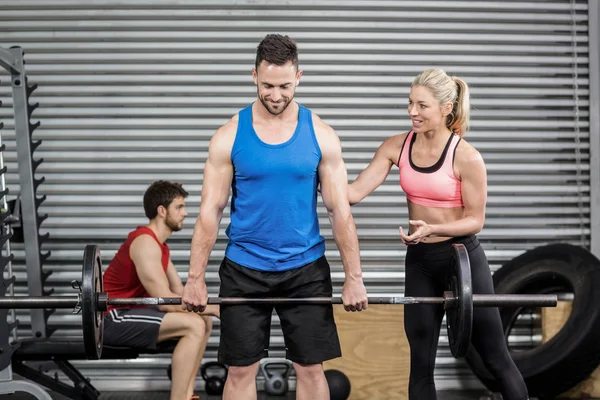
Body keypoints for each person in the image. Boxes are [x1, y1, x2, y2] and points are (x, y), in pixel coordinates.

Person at [181, 34, 369, 400]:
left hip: (306, 268)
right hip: (243, 269)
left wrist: (354, 279)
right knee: (239, 371)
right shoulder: (228, 136)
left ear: (300, 76)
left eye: (284, 85)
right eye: (267, 85)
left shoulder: (322, 135)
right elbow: (210, 212)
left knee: (312, 371)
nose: (276, 94)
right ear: (253, 75)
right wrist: (194, 280)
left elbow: (339, 210)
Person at [346, 69, 528, 400]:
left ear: (446, 108)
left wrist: (435, 229)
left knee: (496, 358)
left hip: (463, 260)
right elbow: (352, 193)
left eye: (422, 105)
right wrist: (307, 175)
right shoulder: (396, 147)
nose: (412, 112)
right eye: (410, 103)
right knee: (420, 364)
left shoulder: (467, 156)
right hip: (420, 263)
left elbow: (475, 220)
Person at [102, 180, 219, 400]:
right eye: (179, 207)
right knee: (195, 324)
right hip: (112, 318)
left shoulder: (160, 247)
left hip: (129, 313)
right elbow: (165, 301)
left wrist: (210, 309)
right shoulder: (145, 243)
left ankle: (187, 394)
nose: (185, 213)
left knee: (204, 321)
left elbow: (180, 294)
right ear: (162, 211)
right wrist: (213, 307)